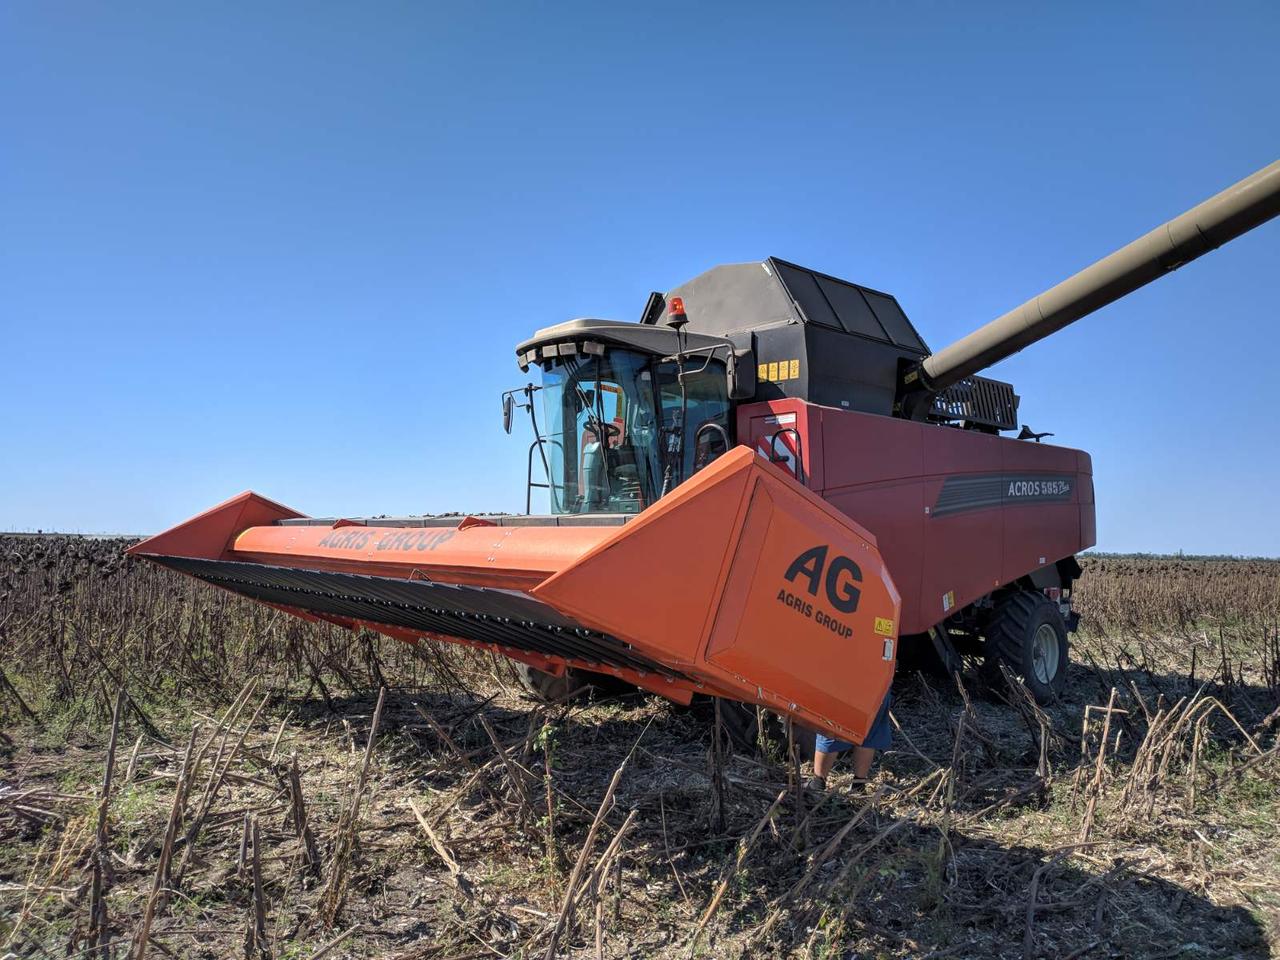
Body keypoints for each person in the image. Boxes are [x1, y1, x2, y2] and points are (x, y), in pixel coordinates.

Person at [809, 689, 892, 792]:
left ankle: (817, 784)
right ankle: (858, 786)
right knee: (867, 733)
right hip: (877, 685)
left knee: (831, 730)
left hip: (845, 685)